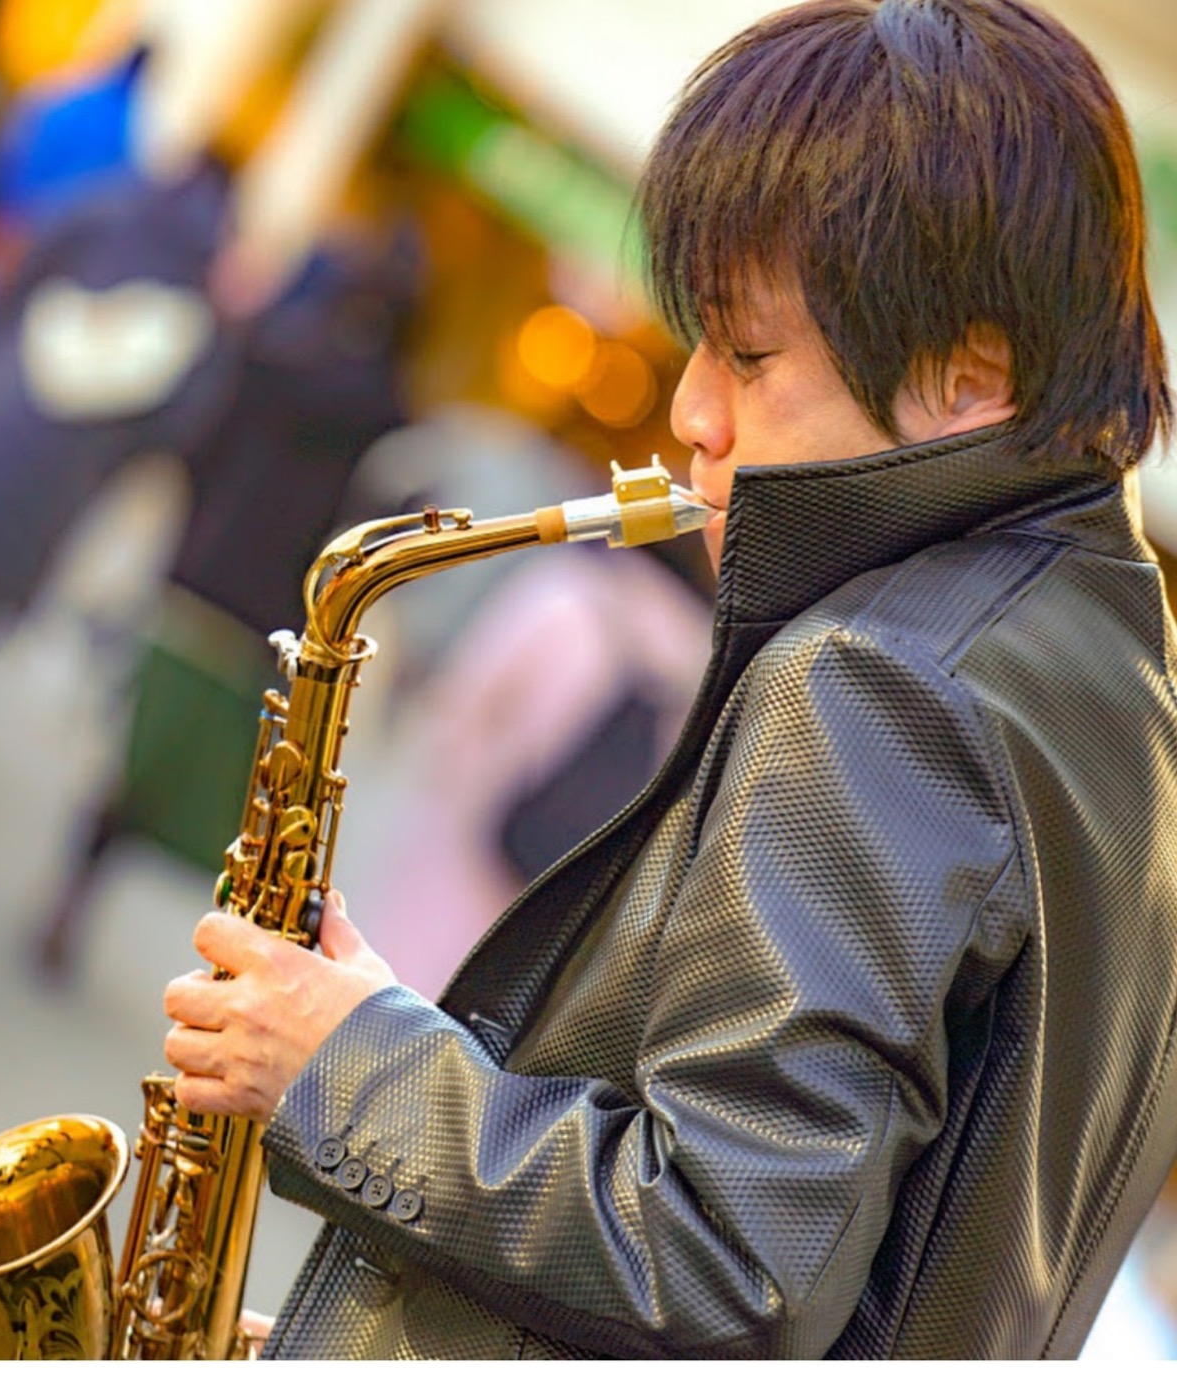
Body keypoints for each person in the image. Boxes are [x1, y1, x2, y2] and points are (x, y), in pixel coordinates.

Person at [162, 0, 1176, 1360]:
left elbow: (726, 1264)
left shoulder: (876, 681)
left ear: (968, 375)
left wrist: (341, 1069)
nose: (692, 410)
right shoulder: (1117, 667)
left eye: (749, 357)